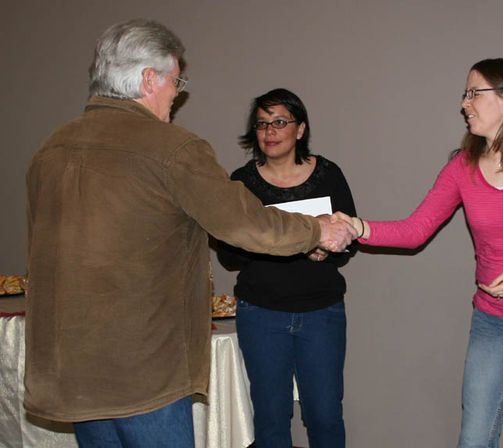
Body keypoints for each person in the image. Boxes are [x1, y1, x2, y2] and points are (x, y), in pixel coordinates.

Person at [24, 19, 356, 448]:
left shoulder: (51, 149)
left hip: (75, 371)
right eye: (175, 81)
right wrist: (317, 230)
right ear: (149, 79)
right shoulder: (172, 149)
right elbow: (245, 225)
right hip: (145, 371)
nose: (177, 93)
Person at [338, 58, 503, 447]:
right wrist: (357, 227)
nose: (465, 104)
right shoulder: (463, 167)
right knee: (474, 437)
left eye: (473, 93)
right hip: (493, 322)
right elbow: (415, 230)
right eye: (465, 95)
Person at [217, 88, 355, 448]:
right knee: (270, 415)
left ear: (300, 129)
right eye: (262, 124)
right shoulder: (241, 182)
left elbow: (347, 241)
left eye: (280, 122)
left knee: (325, 414)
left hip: (322, 311)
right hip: (261, 313)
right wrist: (286, 244)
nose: (270, 132)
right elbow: (229, 254)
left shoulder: (328, 174)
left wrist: (328, 250)